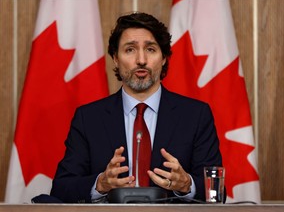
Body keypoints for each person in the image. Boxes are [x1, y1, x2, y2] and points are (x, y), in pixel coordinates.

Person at [50, 12, 223, 203]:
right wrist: (100, 184)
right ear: (115, 58)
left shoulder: (196, 116)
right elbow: (60, 189)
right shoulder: (89, 118)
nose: (141, 60)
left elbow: (216, 194)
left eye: (150, 49)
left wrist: (187, 185)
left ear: (164, 57)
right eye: (130, 49)